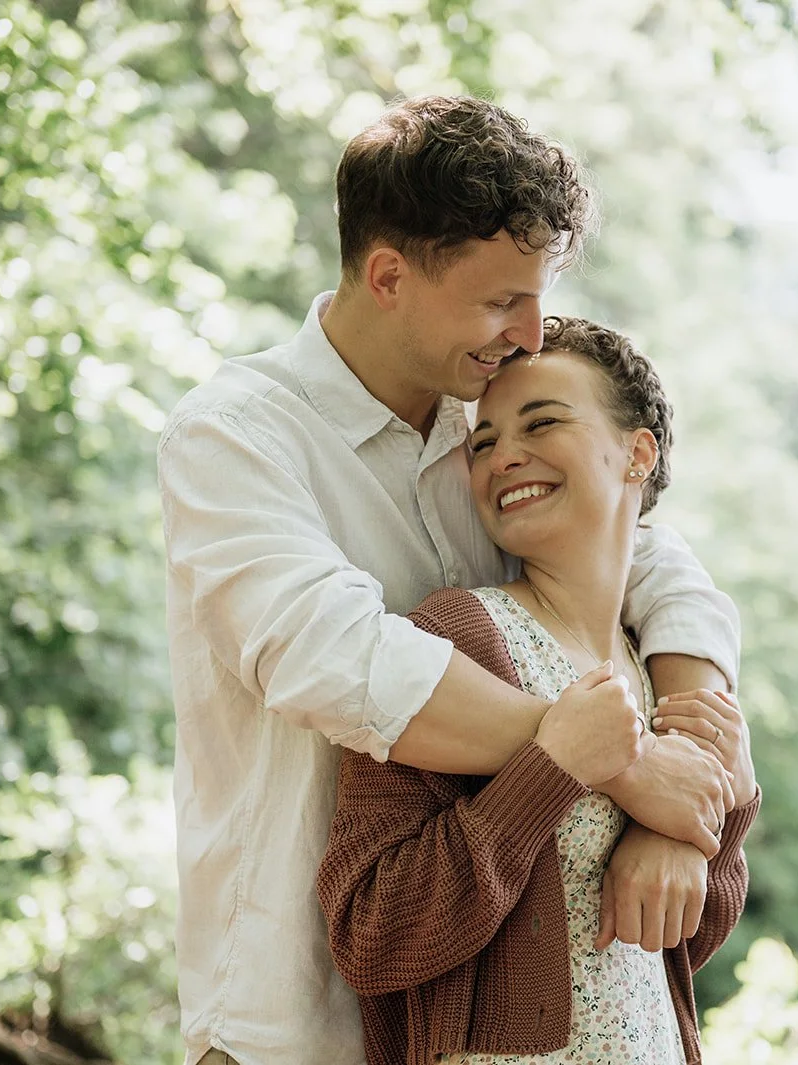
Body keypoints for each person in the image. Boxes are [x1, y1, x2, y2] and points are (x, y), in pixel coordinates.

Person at [158, 96, 743, 1065]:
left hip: (463, 1016)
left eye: (538, 295)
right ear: (387, 275)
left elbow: (650, 553)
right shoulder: (235, 437)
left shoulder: (481, 433)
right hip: (290, 1022)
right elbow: (339, 658)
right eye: (500, 299)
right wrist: (621, 764)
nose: (530, 329)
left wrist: (694, 772)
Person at [318, 317, 760, 1064]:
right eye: (483, 441)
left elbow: (673, 941)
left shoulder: (663, 671)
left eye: (542, 422)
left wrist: (716, 821)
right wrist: (549, 770)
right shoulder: (456, 639)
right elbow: (371, 933)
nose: (503, 457)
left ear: (637, 452)